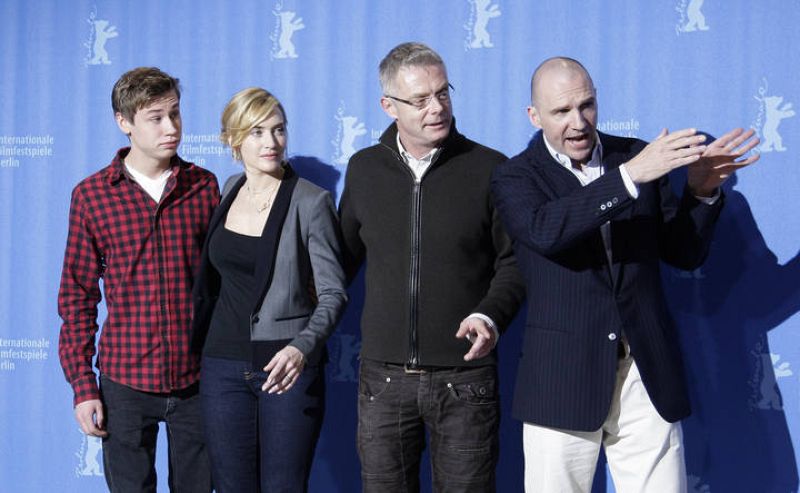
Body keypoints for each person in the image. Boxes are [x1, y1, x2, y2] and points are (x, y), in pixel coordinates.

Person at [491, 56, 760, 492]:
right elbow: (546, 232)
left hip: (645, 372)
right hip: (563, 380)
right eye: (561, 112)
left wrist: (701, 191)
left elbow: (684, 254)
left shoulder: (635, 154)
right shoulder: (515, 176)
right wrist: (628, 178)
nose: (578, 122)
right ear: (534, 116)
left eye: (587, 105)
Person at [339, 42, 524, 492]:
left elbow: (515, 263)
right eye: (419, 100)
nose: (436, 107)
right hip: (383, 381)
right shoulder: (363, 169)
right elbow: (338, 262)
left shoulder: (489, 168)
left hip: (465, 380)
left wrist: (490, 315)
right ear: (388, 106)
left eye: (443, 93)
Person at [58, 67, 218, 492]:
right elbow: (77, 296)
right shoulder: (91, 195)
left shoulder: (204, 187)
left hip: (197, 380)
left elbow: (220, 286)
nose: (172, 127)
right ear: (124, 122)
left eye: (176, 114)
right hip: (124, 381)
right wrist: (82, 385)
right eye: (156, 117)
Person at [191, 87, 348, 492]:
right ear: (233, 138)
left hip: (285, 366)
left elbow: (333, 293)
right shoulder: (227, 190)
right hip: (221, 364)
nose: (272, 142)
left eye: (279, 130)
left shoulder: (311, 202)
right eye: (258, 132)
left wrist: (302, 347)